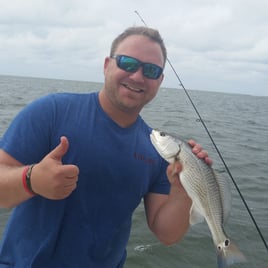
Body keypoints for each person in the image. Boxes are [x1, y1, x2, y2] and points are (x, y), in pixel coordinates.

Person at [0, 26, 212, 267]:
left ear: (160, 81)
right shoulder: (51, 111)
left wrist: (183, 188)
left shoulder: (158, 149)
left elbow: (167, 234)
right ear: (106, 65)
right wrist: (32, 179)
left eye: (151, 70)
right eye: (127, 63)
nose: (137, 76)